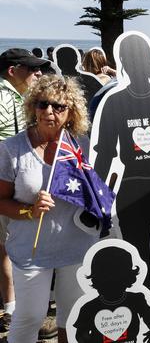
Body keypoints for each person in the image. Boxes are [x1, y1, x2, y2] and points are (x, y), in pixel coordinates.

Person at [92, 34, 150, 319]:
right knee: (139, 263)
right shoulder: (114, 102)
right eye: (129, 61)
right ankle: (148, 322)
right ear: (124, 65)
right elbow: (105, 154)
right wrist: (97, 197)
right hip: (133, 193)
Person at [0, 75, 98, 343]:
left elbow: (95, 192)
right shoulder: (12, 149)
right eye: (42, 104)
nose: (49, 112)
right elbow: (1, 201)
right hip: (31, 250)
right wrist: (29, 211)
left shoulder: (81, 146)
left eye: (58, 107)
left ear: (71, 112)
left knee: (74, 319)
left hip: (77, 247)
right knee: (29, 317)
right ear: (33, 106)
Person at [0, 48, 49, 334]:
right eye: (31, 69)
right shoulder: (3, 97)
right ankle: (14, 310)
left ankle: (17, 309)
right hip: (7, 181)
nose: (38, 73)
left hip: (16, 180)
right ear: (12, 70)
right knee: (8, 245)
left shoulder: (18, 98)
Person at [73, 246, 150, 343]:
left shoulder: (136, 300)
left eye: (116, 281)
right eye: (106, 282)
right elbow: (81, 334)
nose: (112, 286)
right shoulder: (88, 308)